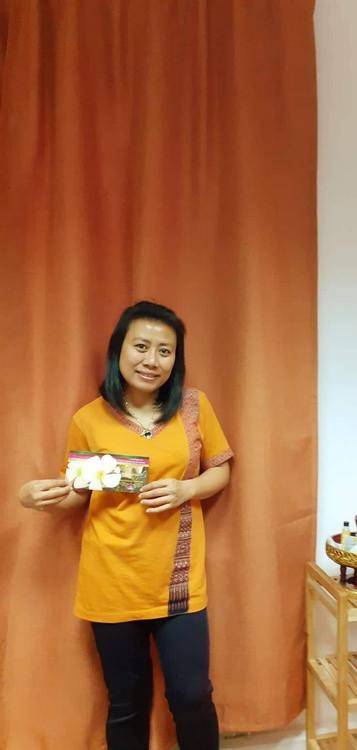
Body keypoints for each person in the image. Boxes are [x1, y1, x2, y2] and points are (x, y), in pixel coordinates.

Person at [18, 301, 233, 750]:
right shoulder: (88, 419)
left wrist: (187, 489)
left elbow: (220, 469)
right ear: (118, 350)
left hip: (178, 584)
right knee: (127, 702)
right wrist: (37, 499)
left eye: (165, 351)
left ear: (176, 359)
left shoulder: (193, 406)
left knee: (192, 696)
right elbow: (79, 493)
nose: (152, 360)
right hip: (110, 581)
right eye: (141, 347)